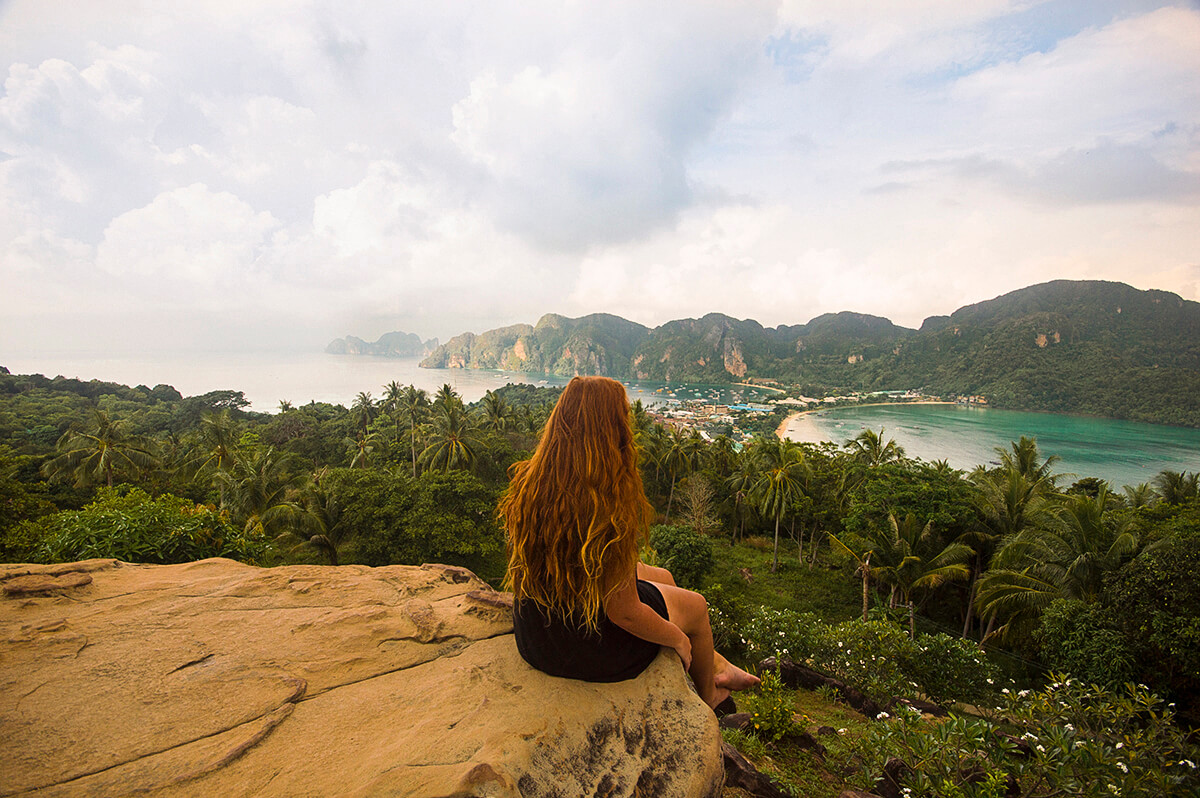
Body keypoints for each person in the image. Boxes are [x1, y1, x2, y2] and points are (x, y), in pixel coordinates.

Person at [500, 375, 759, 709]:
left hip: (537, 636)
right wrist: (677, 638)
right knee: (696, 607)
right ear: (613, 428)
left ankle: (718, 665)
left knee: (661, 576)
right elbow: (624, 612)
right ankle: (710, 694)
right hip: (587, 650)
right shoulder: (605, 501)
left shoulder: (530, 481)